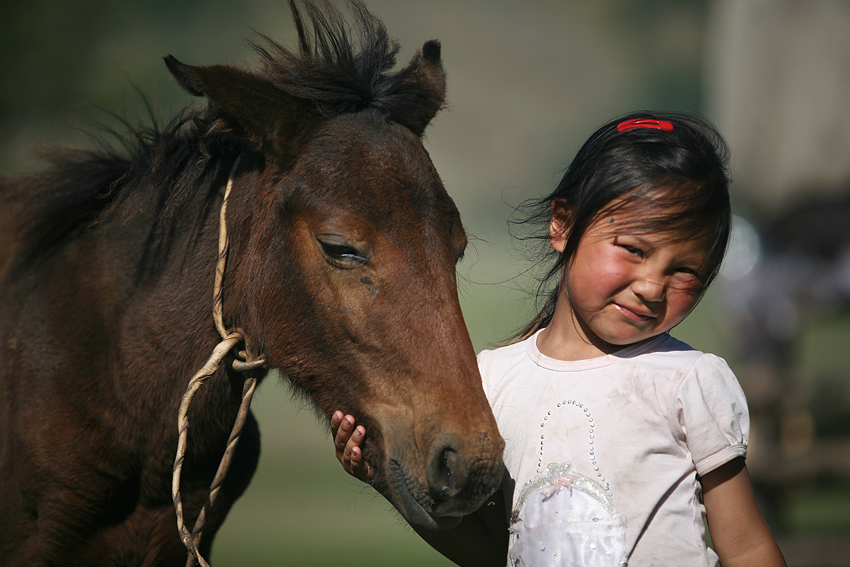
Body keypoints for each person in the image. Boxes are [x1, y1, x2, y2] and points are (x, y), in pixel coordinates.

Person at [331, 111, 787, 567]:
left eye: (684, 270)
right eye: (634, 249)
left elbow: (746, 546)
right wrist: (385, 479)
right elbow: (493, 553)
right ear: (563, 225)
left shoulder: (688, 380)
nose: (652, 286)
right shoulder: (490, 381)